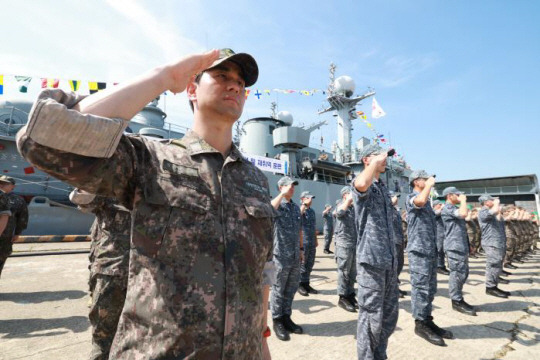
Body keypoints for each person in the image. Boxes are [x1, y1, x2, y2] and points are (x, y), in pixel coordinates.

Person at [17, 48, 276, 359]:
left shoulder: (256, 181)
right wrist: (163, 77)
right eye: (221, 76)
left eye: (240, 83)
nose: (235, 85)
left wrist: (262, 340)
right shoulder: (150, 159)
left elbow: (261, 270)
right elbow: (45, 137)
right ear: (192, 90)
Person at [70, 190, 131, 360]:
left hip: (148, 274)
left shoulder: (157, 190)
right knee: (104, 336)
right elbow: (82, 200)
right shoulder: (110, 185)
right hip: (112, 272)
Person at [352, 144, 399, 360]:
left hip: (389, 261)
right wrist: (374, 162)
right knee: (370, 317)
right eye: (378, 156)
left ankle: (380, 355)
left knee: (388, 317)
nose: (384, 159)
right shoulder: (363, 184)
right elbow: (361, 183)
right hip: (371, 262)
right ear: (366, 160)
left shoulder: (382, 187)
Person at [406, 171, 453, 346]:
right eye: (425, 179)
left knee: (430, 288)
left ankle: (427, 319)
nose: (428, 181)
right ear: (417, 181)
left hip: (429, 250)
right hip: (419, 251)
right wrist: (429, 186)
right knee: (421, 288)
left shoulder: (427, 202)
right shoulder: (412, 197)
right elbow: (419, 201)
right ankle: (420, 324)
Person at [270, 176, 303, 341]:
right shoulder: (277, 205)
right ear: (281, 187)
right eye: (289, 186)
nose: (292, 188)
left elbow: (299, 230)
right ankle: (277, 321)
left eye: (293, 186)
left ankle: (286, 317)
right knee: (278, 289)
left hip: (295, 255)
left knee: (290, 289)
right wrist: (281, 195)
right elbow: (268, 210)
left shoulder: (296, 208)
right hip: (280, 256)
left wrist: (302, 249)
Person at [441, 187, 476, 316]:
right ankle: (456, 301)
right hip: (454, 246)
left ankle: (459, 297)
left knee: (463, 273)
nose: (460, 196)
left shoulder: (454, 208)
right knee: (457, 274)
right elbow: (463, 214)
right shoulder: (447, 208)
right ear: (449, 196)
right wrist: (463, 201)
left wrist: (468, 244)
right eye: (457, 194)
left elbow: (462, 226)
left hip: (461, 245)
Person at [477, 195, 510, 298]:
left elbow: (500, 218)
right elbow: (493, 211)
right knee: (493, 265)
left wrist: (498, 207)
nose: (494, 201)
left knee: (498, 264)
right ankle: (490, 287)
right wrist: (496, 204)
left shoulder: (493, 212)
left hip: (498, 242)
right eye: (491, 199)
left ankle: (494, 286)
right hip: (491, 242)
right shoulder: (483, 211)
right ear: (486, 202)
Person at [334, 186, 358, 312]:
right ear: (345, 195)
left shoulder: (355, 208)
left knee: (353, 272)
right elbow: (338, 213)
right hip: (343, 244)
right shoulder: (341, 204)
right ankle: (342, 297)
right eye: (350, 194)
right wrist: (348, 201)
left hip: (354, 244)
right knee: (344, 271)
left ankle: (350, 294)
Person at [0, 176, 28, 280]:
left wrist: (17, 233)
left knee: (1, 259)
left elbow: (22, 217)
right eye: (1, 182)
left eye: (5, 183)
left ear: (12, 186)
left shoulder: (18, 200)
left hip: (6, 237)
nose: (1, 184)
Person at [298, 191, 318, 296]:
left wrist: (316, 239)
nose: (311, 200)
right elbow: (297, 217)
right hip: (303, 241)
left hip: (311, 241)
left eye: (311, 198)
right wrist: (304, 205)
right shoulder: (300, 209)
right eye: (309, 198)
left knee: (310, 263)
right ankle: (300, 284)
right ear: (303, 199)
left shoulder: (312, 211)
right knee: (303, 264)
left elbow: (314, 226)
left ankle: (306, 283)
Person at [389, 191, 407, 297]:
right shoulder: (387, 210)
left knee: (399, 264)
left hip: (399, 241)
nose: (396, 199)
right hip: (392, 242)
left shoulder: (396, 211)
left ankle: (395, 286)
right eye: (394, 197)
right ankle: (392, 289)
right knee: (393, 266)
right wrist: (390, 203)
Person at [433, 200, 449, 275]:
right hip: (438, 234)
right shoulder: (434, 211)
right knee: (439, 250)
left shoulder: (441, 212)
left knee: (442, 251)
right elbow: (436, 213)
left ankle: (442, 265)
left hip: (443, 233)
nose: (441, 205)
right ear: (435, 205)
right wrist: (442, 208)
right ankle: (438, 266)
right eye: (439, 204)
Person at [502, 205, 519, 270]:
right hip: (507, 235)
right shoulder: (503, 217)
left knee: (512, 249)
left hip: (512, 235)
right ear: (505, 212)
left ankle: (509, 262)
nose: (510, 213)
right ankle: (506, 263)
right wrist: (511, 213)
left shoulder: (509, 217)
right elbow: (507, 219)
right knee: (509, 250)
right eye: (508, 211)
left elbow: (515, 217)